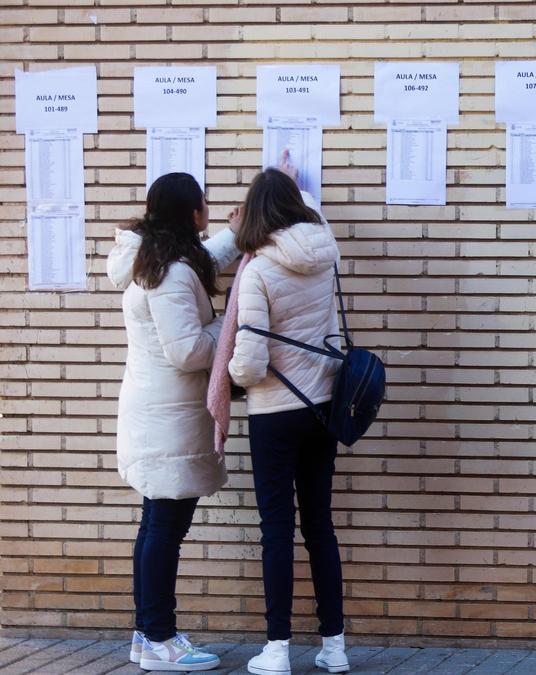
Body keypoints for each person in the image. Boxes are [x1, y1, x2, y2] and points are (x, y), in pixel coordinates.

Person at [107, 172, 241, 672]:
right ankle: (161, 638)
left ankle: (148, 636)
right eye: (205, 205)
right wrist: (227, 325)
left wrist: (237, 231)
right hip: (169, 417)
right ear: (191, 214)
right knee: (164, 528)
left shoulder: (157, 258)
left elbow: (206, 259)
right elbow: (187, 349)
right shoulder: (170, 271)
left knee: (156, 526)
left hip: (160, 414)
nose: (208, 211)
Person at [228, 158, 348, 675]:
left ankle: (277, 648)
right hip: (323, 405)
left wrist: (231, 373)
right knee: (319, 525)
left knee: (277, 528)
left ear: (256, 213)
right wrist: (290, 180)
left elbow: (251, 359)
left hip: (276, 412)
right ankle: (335, 647)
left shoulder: (257, 269)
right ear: (297, 207)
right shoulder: (324, 252)